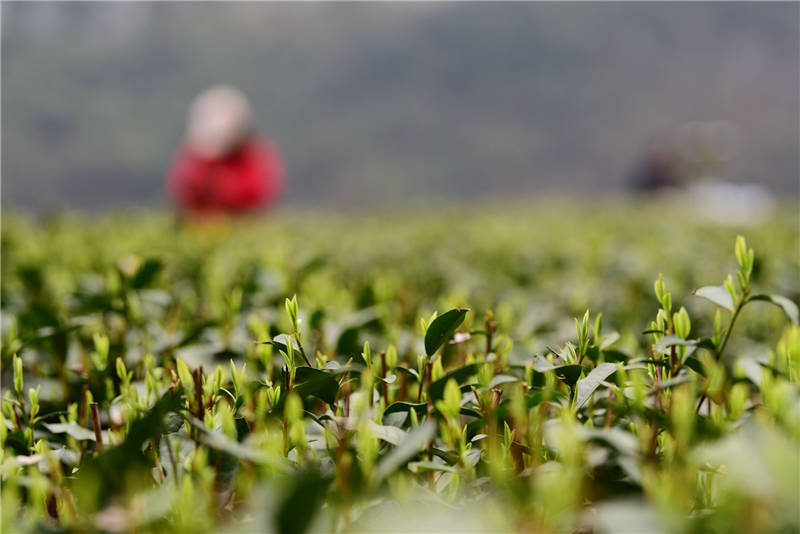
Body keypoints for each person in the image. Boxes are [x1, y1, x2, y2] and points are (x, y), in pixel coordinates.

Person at [166, 85, 284, 218]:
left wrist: (226, 190)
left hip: (243, 223)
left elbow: (258, 198)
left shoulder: (255, 158)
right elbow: (182, 194)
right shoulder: (195, 157)